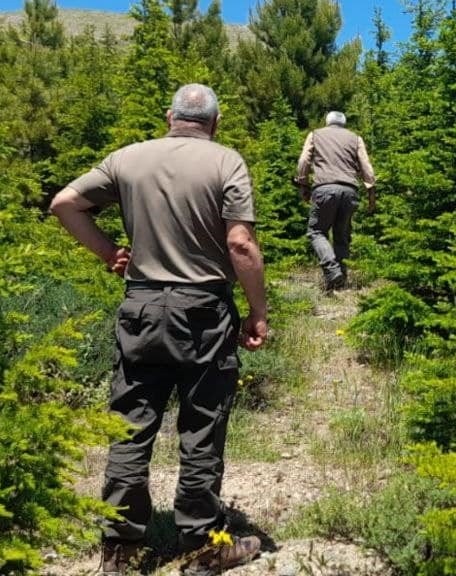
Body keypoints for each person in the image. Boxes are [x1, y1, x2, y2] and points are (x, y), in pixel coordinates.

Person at [50, 83, 266, 576]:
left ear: (171, 116)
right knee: (201, 427)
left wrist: (109, 252)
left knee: (130, 424)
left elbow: (65, 203)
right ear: (215, 120)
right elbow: (241, 245)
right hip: (204, 312)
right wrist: (258, 313)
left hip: (141, 307)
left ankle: (120, 551)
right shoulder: (226, 163)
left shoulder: (126, 159)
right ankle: (202, 548)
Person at [294, 111, 376, 291]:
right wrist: (371, 193)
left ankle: (332, 270)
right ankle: (340, 281)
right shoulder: (356, 139)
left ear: (327, 122)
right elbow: (366, 166)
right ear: (344, 124)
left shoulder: (315, 135)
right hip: (350, 191)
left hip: (324, 189)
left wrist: (303, 184)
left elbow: (304, 161)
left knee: (316, 231)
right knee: (342, 235)